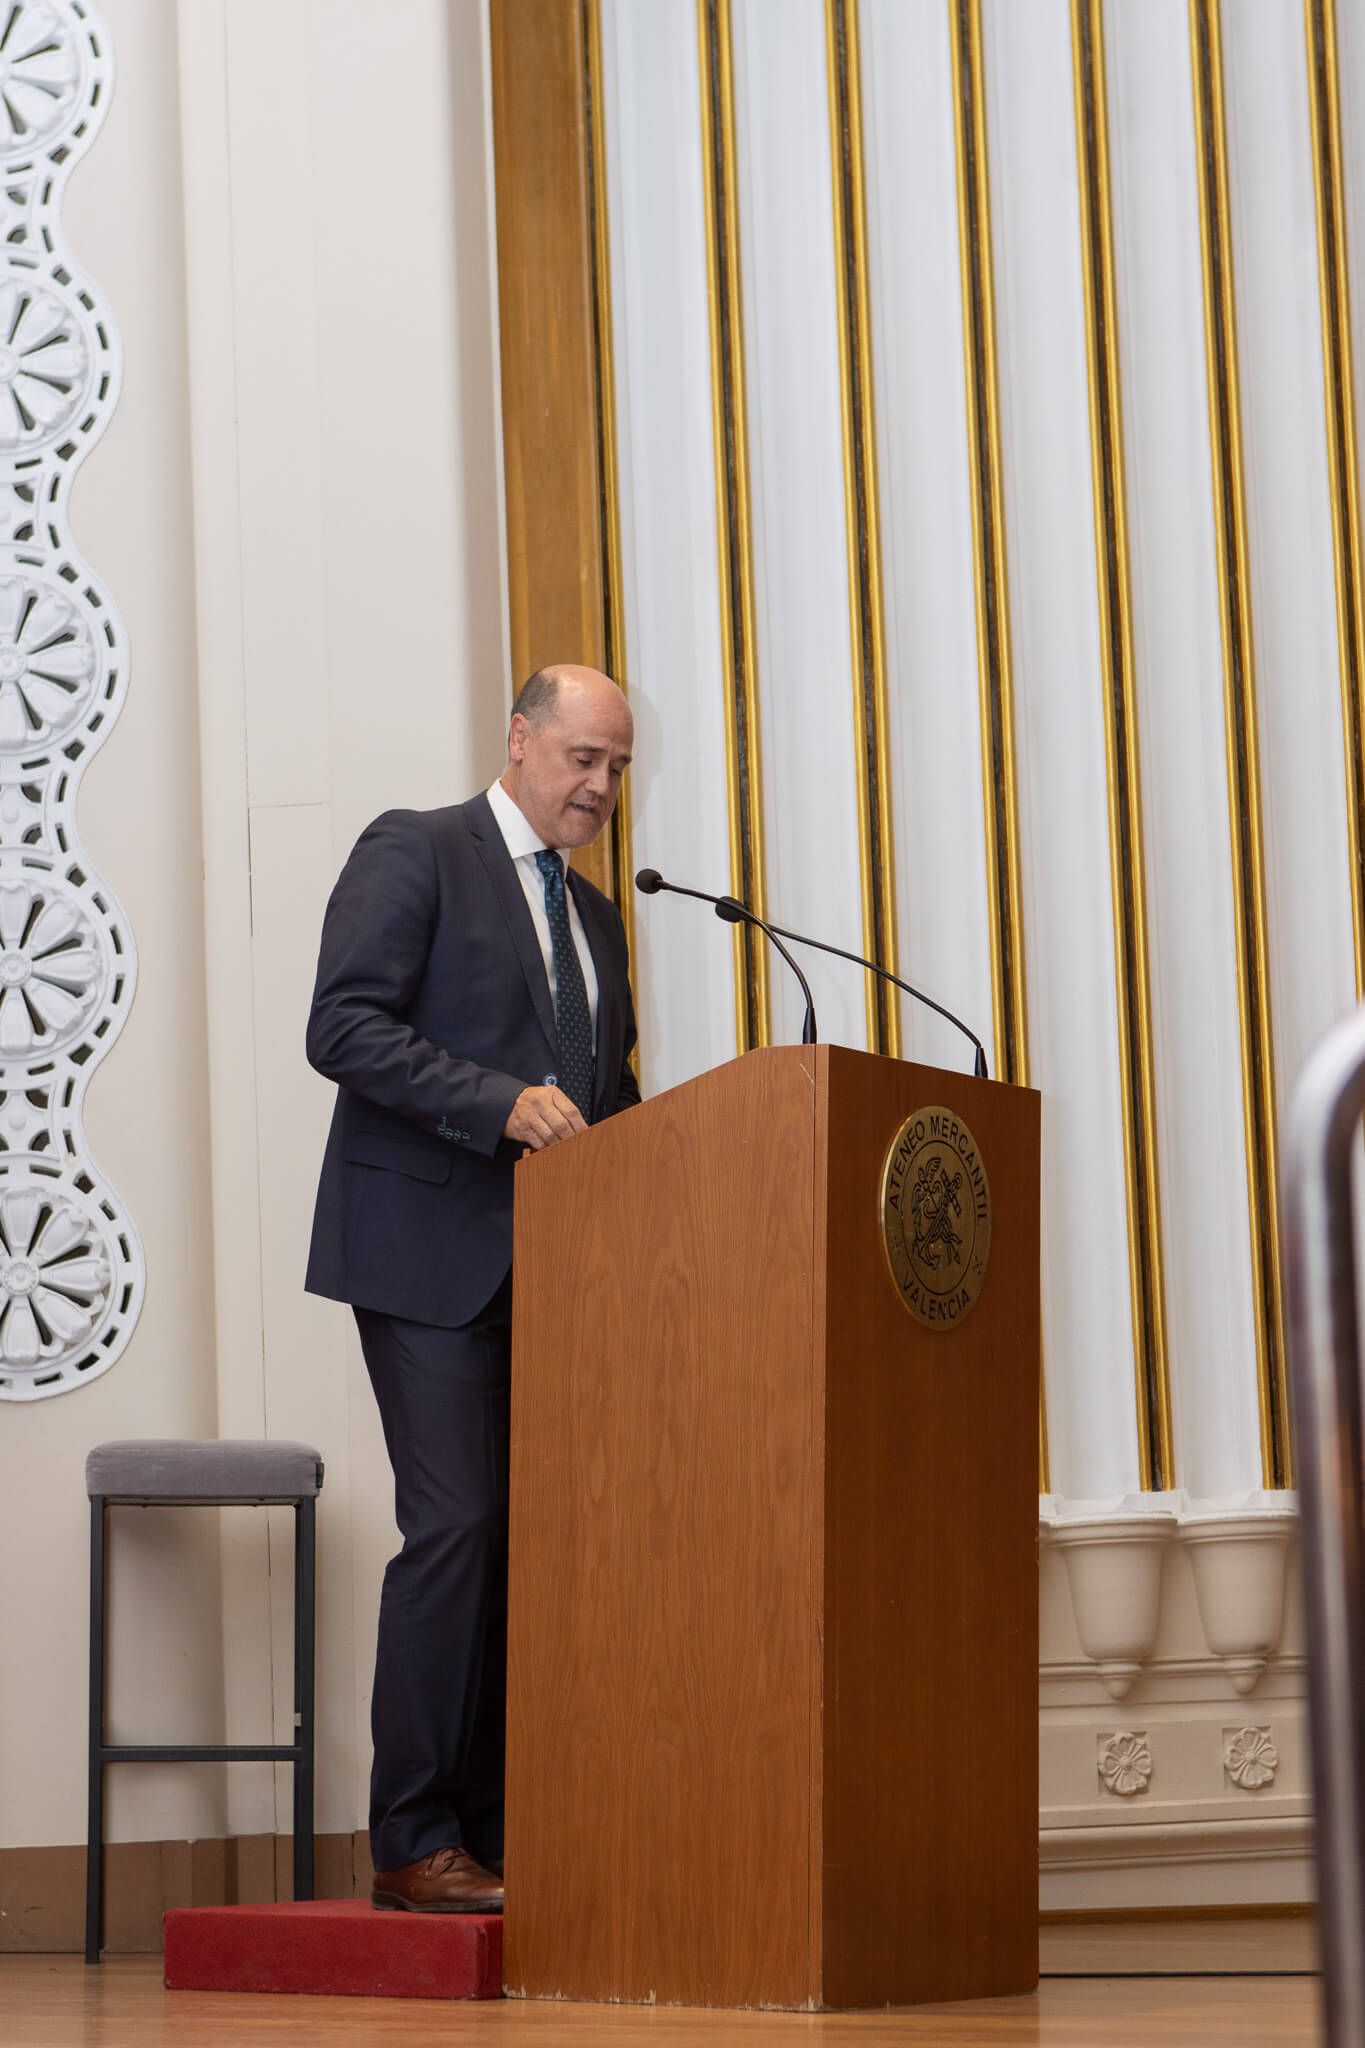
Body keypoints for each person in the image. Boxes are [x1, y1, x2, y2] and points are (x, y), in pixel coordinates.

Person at [304, 665, 639, 1913]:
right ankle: (411, 1836)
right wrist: (496, 1102)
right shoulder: (420, 850)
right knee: (456, 1527)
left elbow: (608, 1101)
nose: (600, 786)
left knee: (528, 1545)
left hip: (557, 1274)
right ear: (518, 739)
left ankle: (498, 1833)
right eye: (582, 757)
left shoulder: (599, 920)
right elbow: (340, 1025)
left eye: (617, 766)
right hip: (424, 1252)